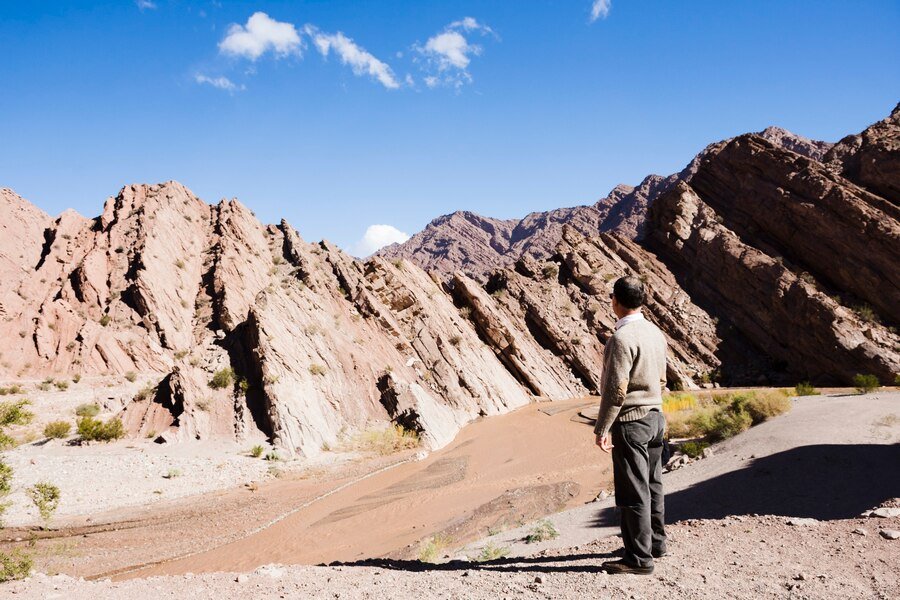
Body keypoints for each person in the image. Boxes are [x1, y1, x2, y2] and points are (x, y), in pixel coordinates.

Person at [595, 276, 668, 575]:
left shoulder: (621, 339)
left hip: (632, 422)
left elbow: (615, 391)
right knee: (653, 484)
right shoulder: (655, 332)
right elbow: (662, 378)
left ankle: (638, 559)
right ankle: (655, 544)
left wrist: (602, 429)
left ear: (615, 301)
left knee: (633, 490)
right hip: (656, 418)